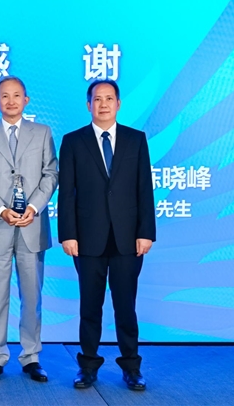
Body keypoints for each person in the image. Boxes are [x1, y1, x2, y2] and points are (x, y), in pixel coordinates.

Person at [58, 79, 156, 391]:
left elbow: (144, 189)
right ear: (88, 105)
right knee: (90, 306)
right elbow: (66, 193)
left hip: (128, 238)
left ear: (118, 104)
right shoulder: (73, 141)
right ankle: (87, 366)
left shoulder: (135, 139)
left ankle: (131, 367)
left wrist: (146, 232)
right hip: (87, 238)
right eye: (97, 99)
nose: (103, 104)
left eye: (109, 98)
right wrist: (68, 234)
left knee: (126, 306)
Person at [0, 76, 58, 383]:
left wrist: (33, 207)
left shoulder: (42, 132)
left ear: (26, 100)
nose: (11, 101)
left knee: (32, 296)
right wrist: (1, 210)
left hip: (33, 226)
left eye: (16, 95)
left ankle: (31, 356)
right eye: (4, 96)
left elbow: (51, 174)